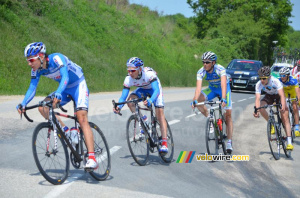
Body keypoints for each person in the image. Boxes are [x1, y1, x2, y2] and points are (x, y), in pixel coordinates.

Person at [17, 42, 98, 169]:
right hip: (65, 88)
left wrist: (59, 92)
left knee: (82, 119)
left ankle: (92, 158)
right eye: (28, 60)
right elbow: (32, 88)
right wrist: (23, 103)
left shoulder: (56, 58)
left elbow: (65, 75)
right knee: (43, 107)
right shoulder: (36, 70)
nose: (29, 63)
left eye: (31, 60)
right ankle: (67, 132)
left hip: (78, 85)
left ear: (41, 56)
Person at [113, 57, 168, 154]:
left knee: (159, 114)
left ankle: (164, 143)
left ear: (140, 69)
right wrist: (119, 107)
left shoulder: (149, 74)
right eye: (128, 70)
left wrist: (150, 100)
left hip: (154, 89)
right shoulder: (128, 79)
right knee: (130, 101)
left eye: (132, 71)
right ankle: (143, 120)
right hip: (142, 89)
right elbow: (123, 96)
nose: (130, 73)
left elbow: (156, 91)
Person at [191, 51, 234, 154]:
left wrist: (223, 98)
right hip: (212, 89)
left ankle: (229, 141)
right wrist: (194, 100)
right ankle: (211, 120)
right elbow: (198, 89)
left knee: (228, 115)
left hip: (224, 90)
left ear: (213, 63)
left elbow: (224, 85)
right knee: (198, 101)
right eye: (203, 62)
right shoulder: (201, 71)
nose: (205, 64)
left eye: (207, 62)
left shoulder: (220, 69)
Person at [253, 66, 293, 150]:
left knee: (284, 117)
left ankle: (289, 141)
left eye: (264, 78)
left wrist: (282, 105)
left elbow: (282, 95)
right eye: (260, 78)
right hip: (269, 96)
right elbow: (257, 98)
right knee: (261, 107)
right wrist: (256, 110)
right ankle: (271, 124)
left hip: (278, 96)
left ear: (269, 77)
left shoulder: (275, 81)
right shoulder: (258, 84)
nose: (262, 80)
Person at [278, 67, 300, 137]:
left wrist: (298, 100)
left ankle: (296, 127)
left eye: (283, 75)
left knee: (294, 107)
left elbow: (297, 91)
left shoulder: (293, 80)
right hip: (285, 92)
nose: (282, 77)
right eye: (281, 75)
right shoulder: (279, 80)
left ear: (287, 75)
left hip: (293, 91)